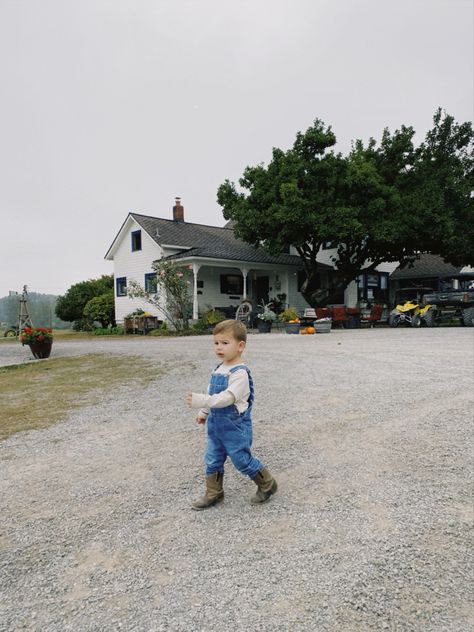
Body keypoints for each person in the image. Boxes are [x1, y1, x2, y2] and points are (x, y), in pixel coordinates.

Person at [186, 319, 277, 510]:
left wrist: (201, 401)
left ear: (240, 346)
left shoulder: (240, 373)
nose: (219, 347)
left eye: (225, 343)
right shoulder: (218, 369)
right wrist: (204, 412)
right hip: (216, 426)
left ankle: (267, 484)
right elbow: (212, 393)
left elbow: (227, 398)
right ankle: (214, 492)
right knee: (212, 458)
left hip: (235, 427)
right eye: (216, 343)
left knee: (241, 459)